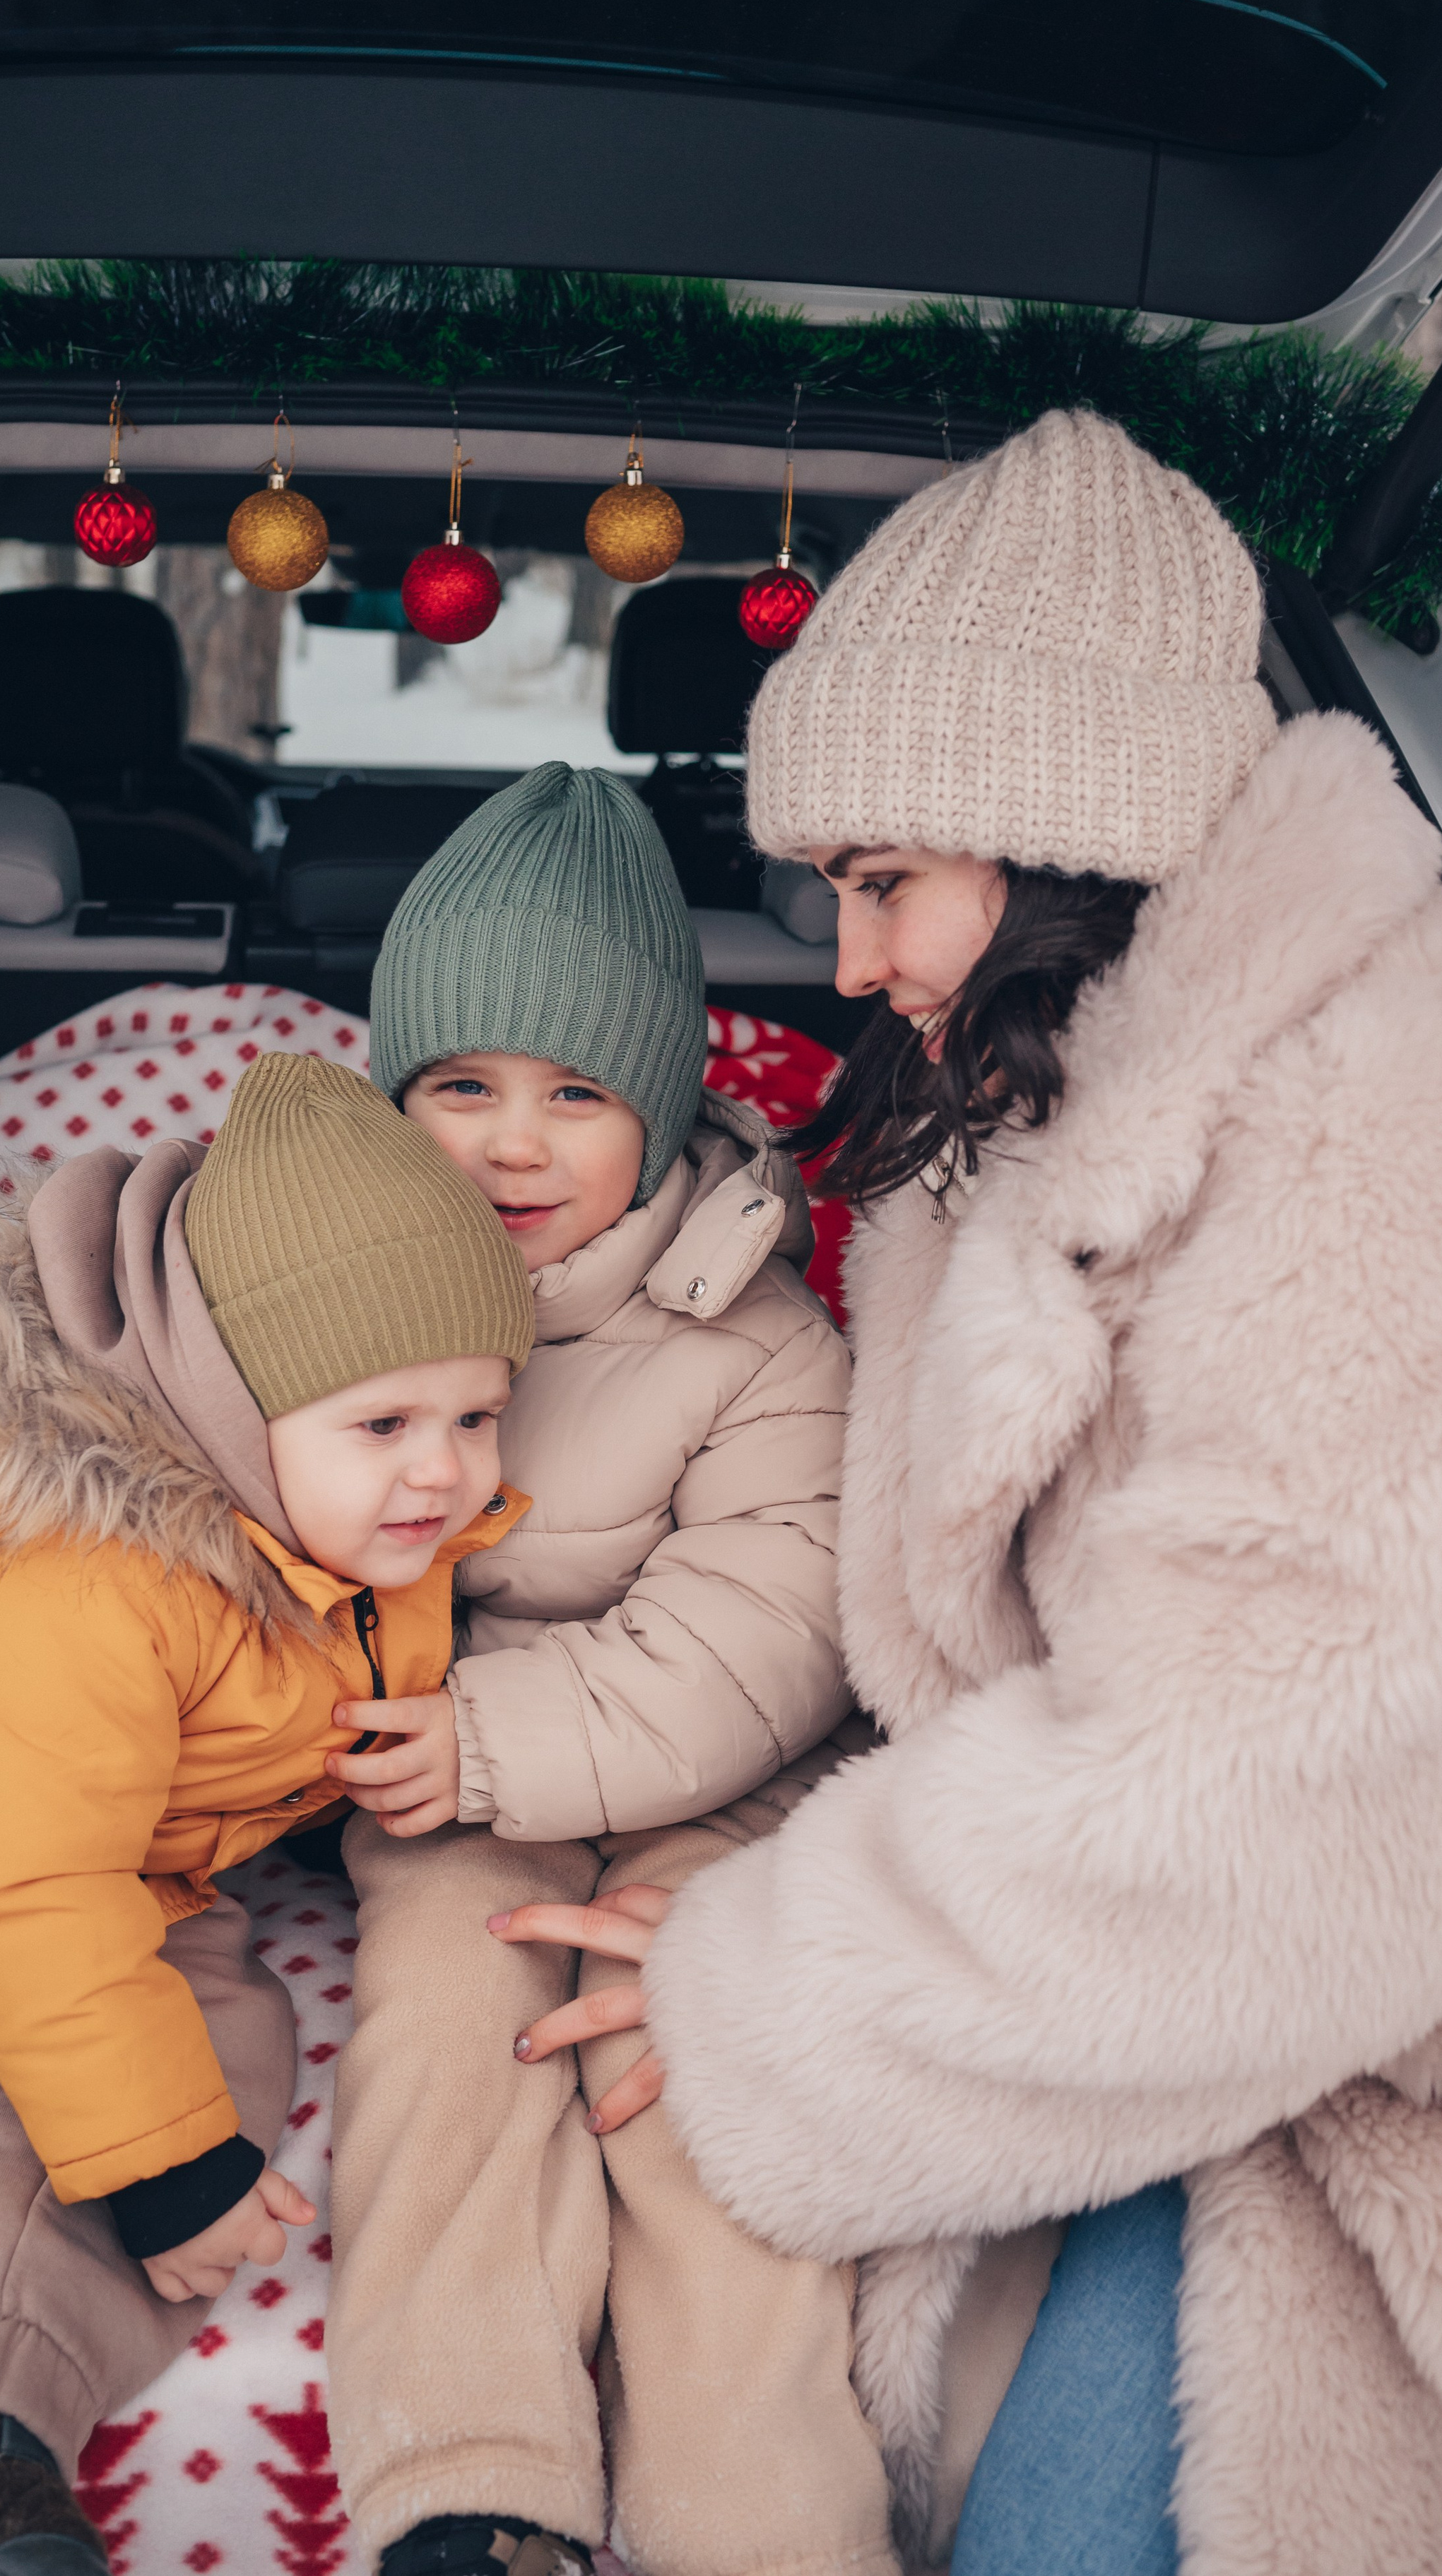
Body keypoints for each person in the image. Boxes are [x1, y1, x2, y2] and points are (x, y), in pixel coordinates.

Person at [494, 410, 1442, 2575]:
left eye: (886, 882)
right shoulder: (1016, 1147)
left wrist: (762, 1989)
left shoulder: (1437, 1123)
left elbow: (1281, 1807)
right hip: (1132, 2006)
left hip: (1412, 2092)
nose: (851, 960)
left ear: (1069, 831)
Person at [0, 1051, 534, 2576]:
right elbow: (33, 1882)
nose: (444, 1472)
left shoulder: (367, 1532)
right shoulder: (72, 1574)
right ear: (225, 1413)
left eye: (478, 1414)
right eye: (382, 1423)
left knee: (212, 2045)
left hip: (135, 1868)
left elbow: (227, 1748)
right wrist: (154, 2171)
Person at [322, 761, 898, 2576]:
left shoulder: (755, 1334)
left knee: (680, 2076)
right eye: (460, 1088)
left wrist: (481, 1734)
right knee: (446, 2015)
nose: (512, 1144)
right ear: (385, 1105)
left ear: (660, 1116)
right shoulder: (311, 1300)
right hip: (445, 1786)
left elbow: (761, 1635)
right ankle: (471, 2489)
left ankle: (765, 2524)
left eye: (577, 1096)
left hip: (709, 1786)